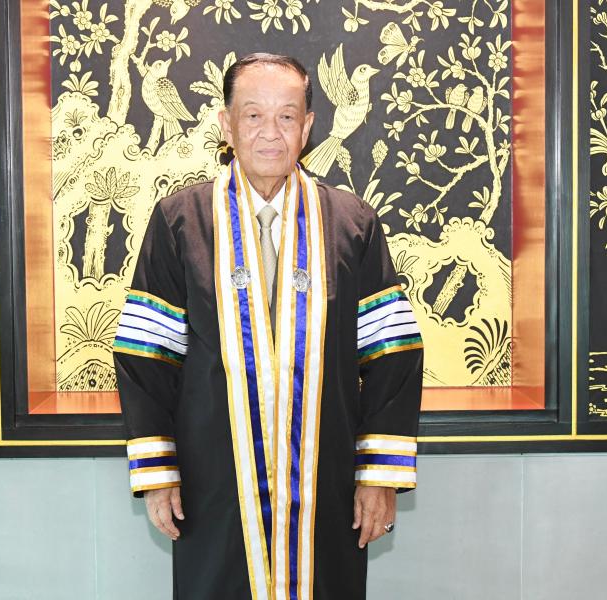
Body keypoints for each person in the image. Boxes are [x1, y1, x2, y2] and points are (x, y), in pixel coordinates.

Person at [113, 53, 424, 600]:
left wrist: (378, 475)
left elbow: (392, 353)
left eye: (287, 116)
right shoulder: (180, 222)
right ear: (226, 123)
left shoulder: (352, 224)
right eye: (253, 115)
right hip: (213, 482)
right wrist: (159, 473)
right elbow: (146, 354)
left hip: (325, 480)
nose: (270, 132)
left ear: (307, 126)